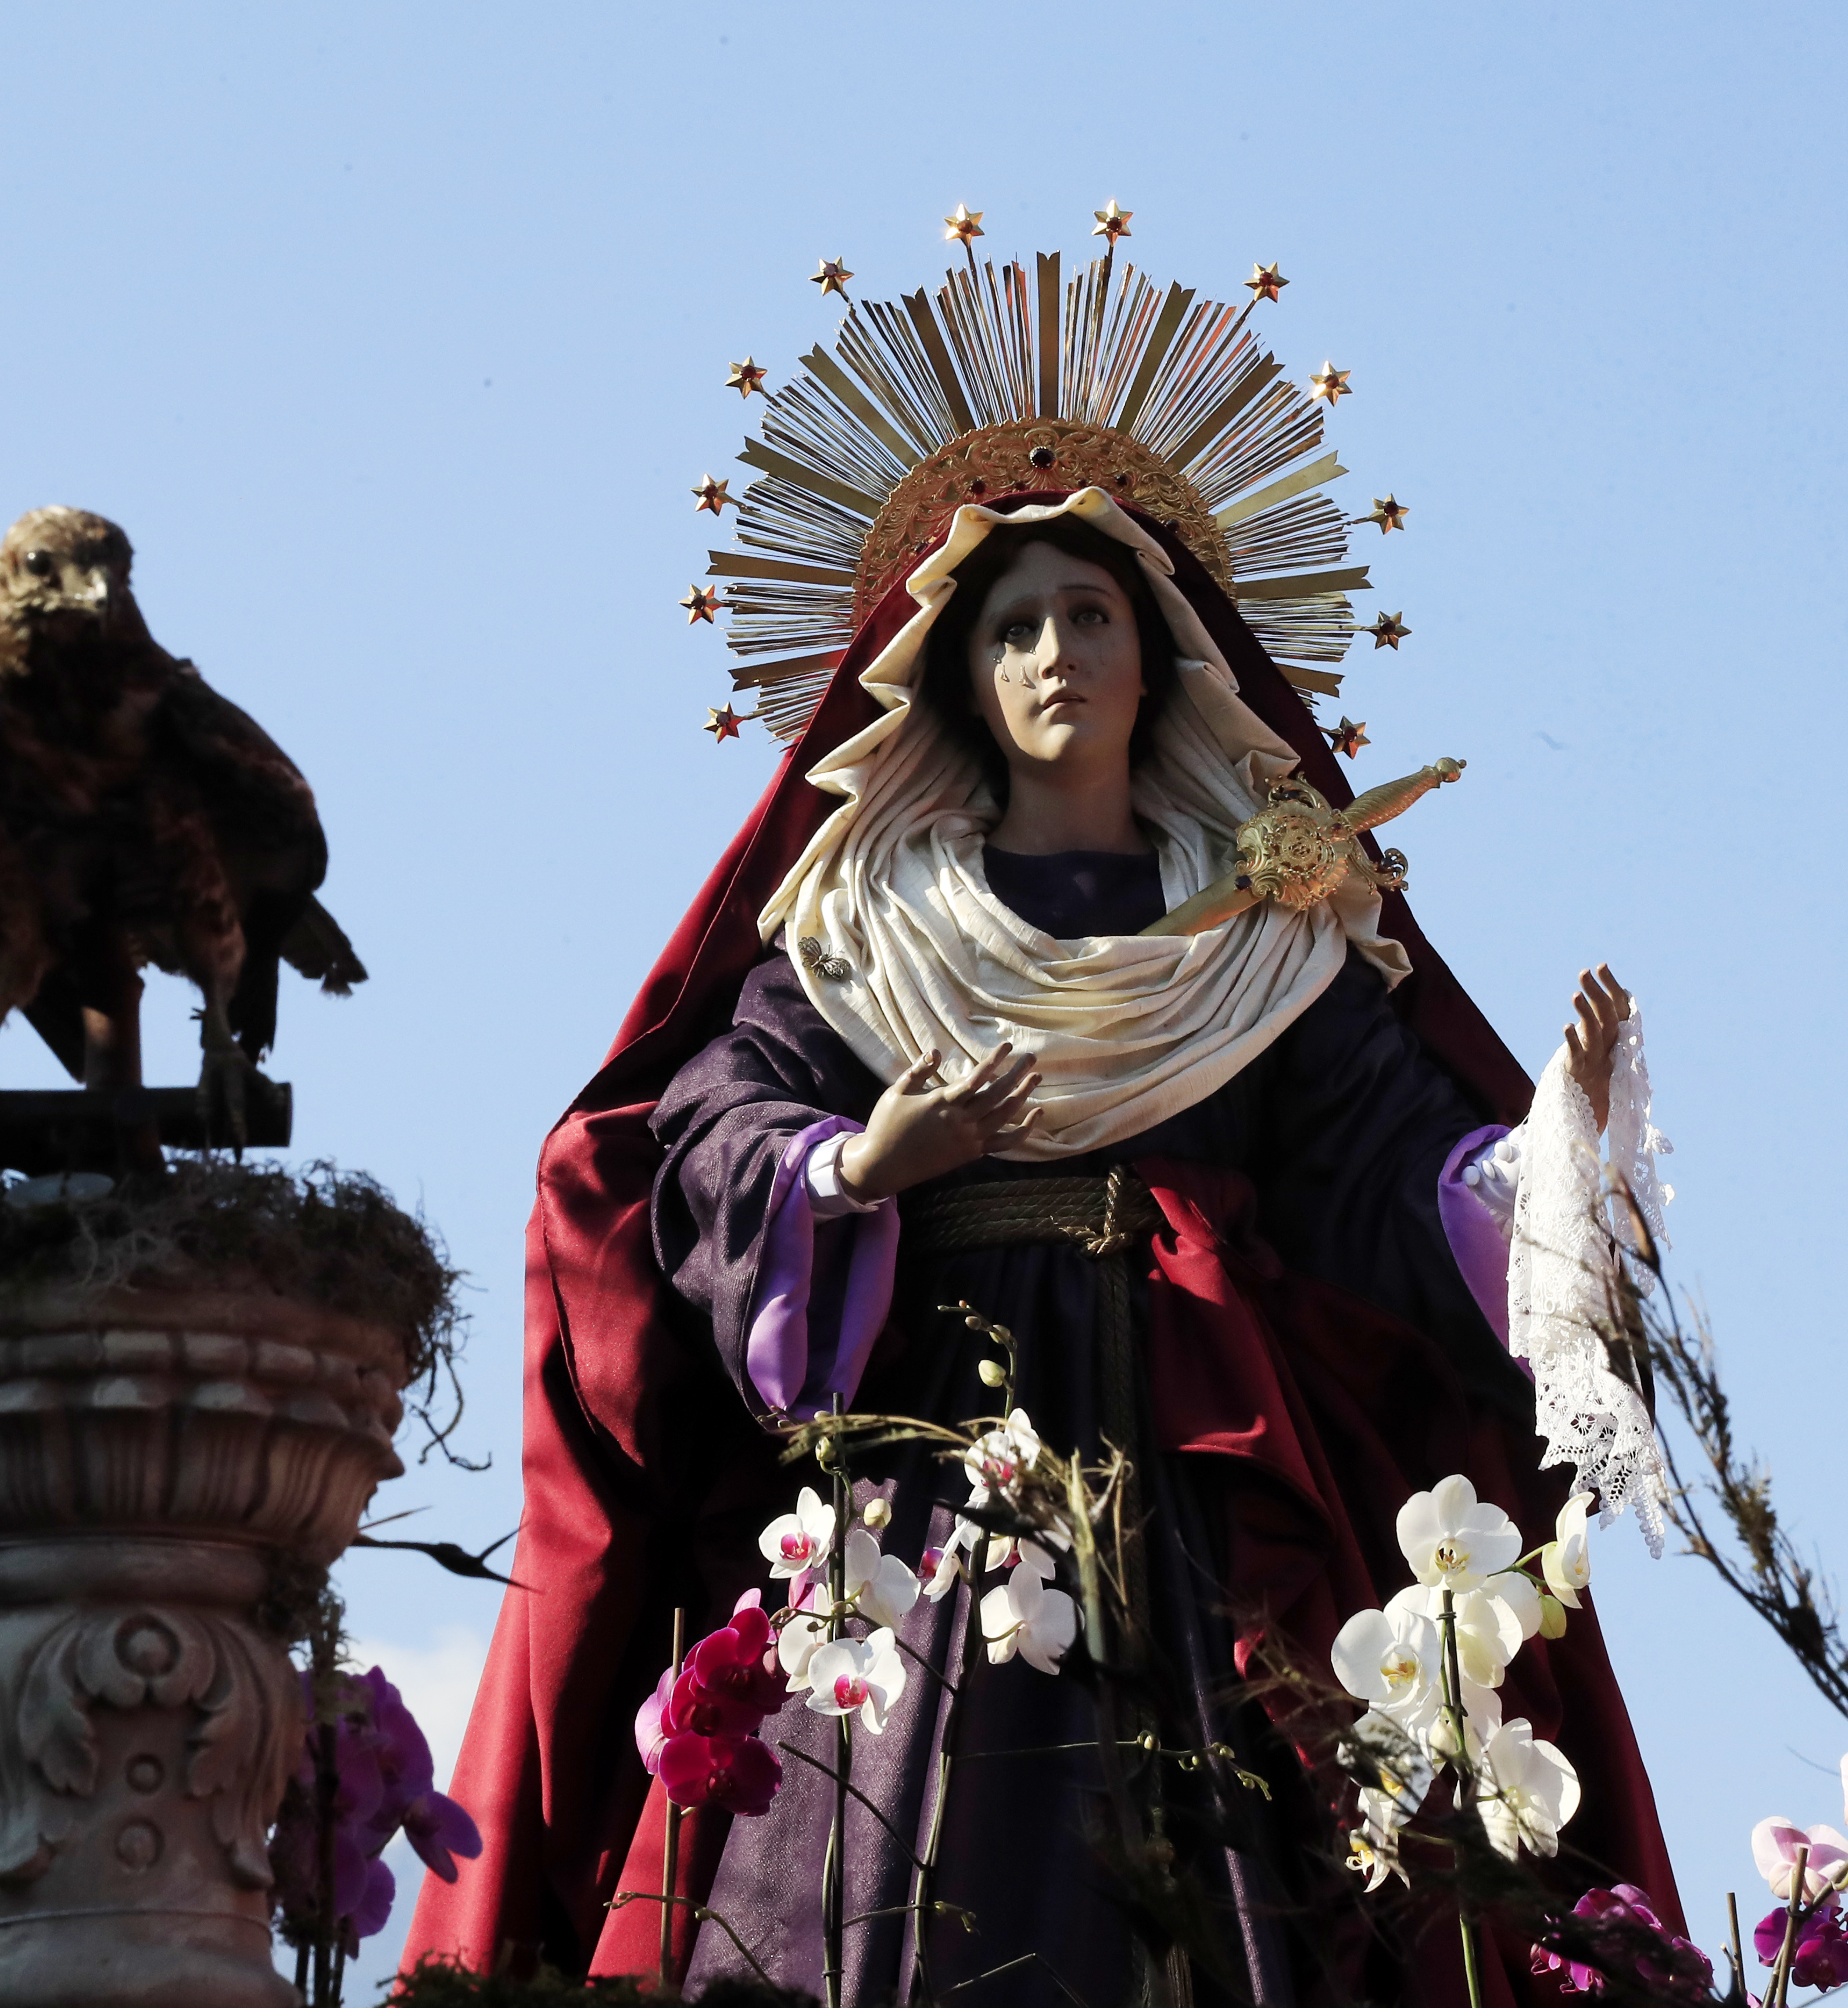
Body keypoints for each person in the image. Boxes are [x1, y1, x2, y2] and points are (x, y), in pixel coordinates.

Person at [406, 481, 1685, 2005]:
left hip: (1207, 1479)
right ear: (959, 675)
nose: (1055, 652)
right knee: (890, 1862)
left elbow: (1383, 1173)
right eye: (1013, 626)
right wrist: (862, 1162)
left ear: (1164, 658)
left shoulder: (1264, 948)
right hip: (932, 1476)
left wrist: (1554, 1153)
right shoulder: (867, 927)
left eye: (1091, 615)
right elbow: (705, 1126)